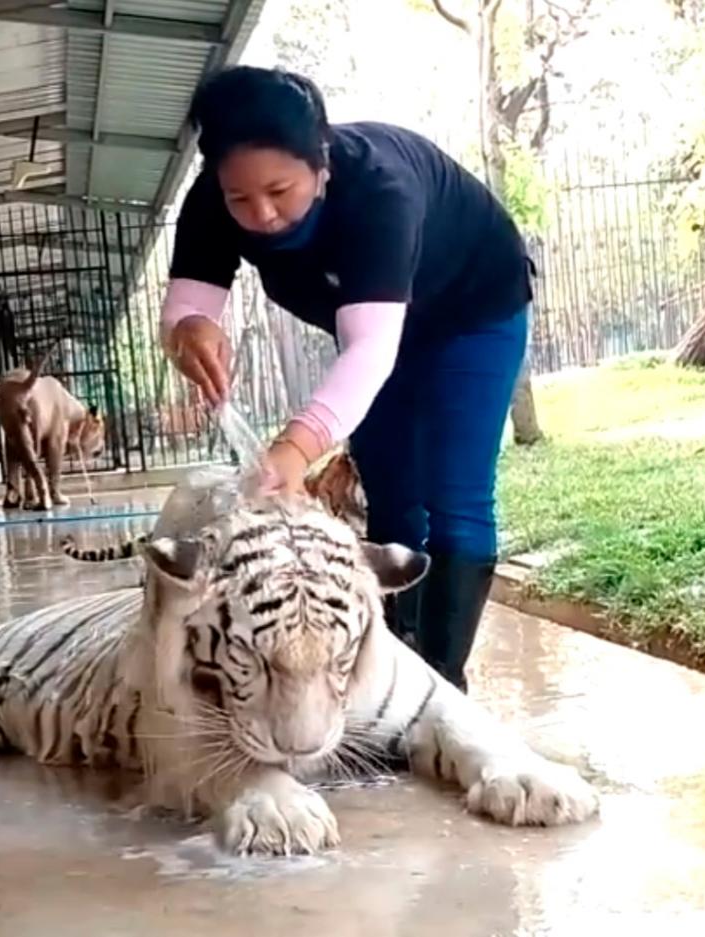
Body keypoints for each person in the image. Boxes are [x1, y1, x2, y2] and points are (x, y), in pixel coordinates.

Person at [159, 65, 533, 691]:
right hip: (376, 329)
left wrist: (297, 447)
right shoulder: (211, 203)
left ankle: (443, 687)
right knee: (390, 492)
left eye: (281, 190)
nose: (263, 214)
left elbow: (369, 354)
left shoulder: (380, 191)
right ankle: (389, 667)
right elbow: (185, 308)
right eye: (240, 198)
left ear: (322, 162)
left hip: (472, 311)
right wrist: (188, 331)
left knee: (455, 494)